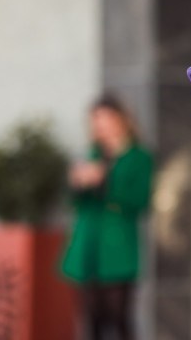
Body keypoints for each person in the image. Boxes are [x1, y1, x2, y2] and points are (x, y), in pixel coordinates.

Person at [61, 94, 153, 340]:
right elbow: (76, 202)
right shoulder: (92, 154)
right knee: (91, 322)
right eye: (96, 121)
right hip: (89, 246)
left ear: (121, 119)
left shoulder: (138, 157)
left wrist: (105, 181)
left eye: (105, 119)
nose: (100, 126)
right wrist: (78, 183)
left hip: (117, 249)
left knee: (119, 319)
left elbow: (140, 201)